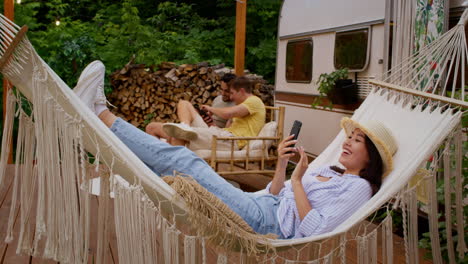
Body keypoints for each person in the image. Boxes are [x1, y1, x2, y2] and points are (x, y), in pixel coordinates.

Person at [74, 61, 398, 238]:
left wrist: (298, 182)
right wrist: (284, 167)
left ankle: (101, 115)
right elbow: (277, 192)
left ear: (371, 156)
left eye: (356, 141)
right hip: (263, 204)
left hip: (265, 222)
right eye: (349, 137)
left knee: (184, 160)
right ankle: (104, 119)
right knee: (179, 164)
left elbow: (314, 229)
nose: (346, 142)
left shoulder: (359, 187)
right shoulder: (332, 170)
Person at [146, 76, 266, 151]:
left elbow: (227, 114)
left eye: (232, 93)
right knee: (153, 126)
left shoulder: (254, 101)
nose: (231, 97)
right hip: (221, 134)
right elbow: (228, 126)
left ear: (242, 91)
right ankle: (185, 126)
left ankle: (174, 172)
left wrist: (211, 109)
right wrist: (213, 124)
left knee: (177, 136)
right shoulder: (243, 106)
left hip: (231, 141)